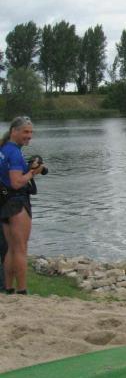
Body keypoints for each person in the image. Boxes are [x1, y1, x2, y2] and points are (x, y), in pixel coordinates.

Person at [1, 116, 46, 295]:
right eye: (25, 132)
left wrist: (27, 169)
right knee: (20, 248)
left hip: (4, 202)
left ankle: (9, 289)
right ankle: (22, 291)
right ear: (14, 131)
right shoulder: (14, 152)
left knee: (11, 248)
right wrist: (33, 172)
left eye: (31, 132)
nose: (29, 136)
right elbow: (16, 182)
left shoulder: (4, 149)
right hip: (17, 203)